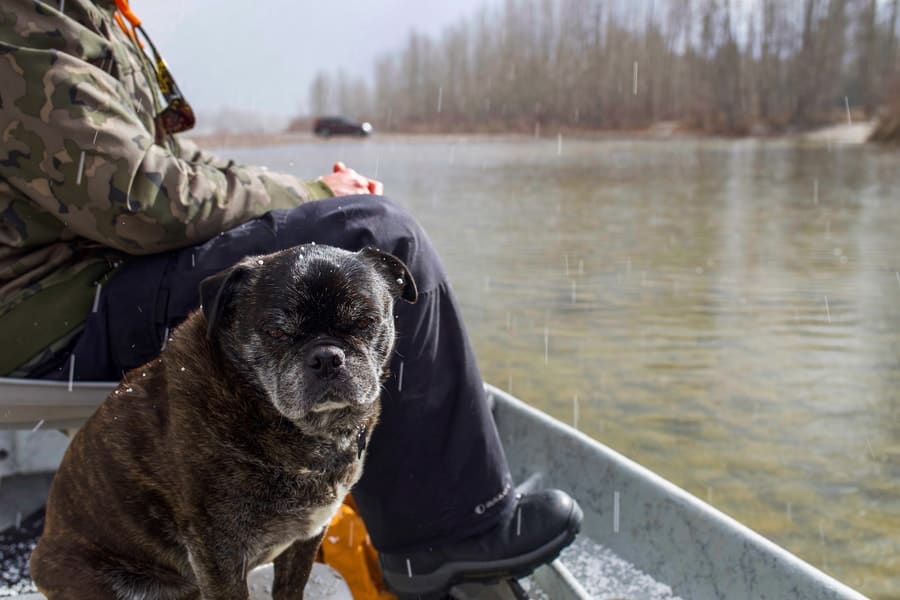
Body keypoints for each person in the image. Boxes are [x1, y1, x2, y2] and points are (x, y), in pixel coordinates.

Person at [0, 0, 582, 597]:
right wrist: (310, 192)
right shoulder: (32, 16)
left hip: (91, 278)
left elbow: (169, 162)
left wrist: (301, 202)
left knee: (349, 234)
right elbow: (137, 197)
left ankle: (362, 492)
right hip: (57, 312)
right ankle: (450, 534)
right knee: (375, 231)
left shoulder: (88, 15)